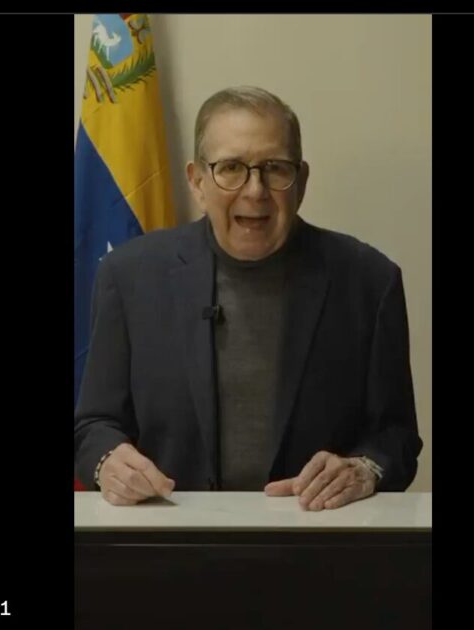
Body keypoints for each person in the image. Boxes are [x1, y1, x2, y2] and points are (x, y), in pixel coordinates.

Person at [74, 86, 423, 511]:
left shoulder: (370, 281)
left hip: (318, 539)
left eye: (275, 168)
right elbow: (93, 425)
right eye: (231, 168)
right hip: (170, 538)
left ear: (302, 181)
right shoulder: (128, 276)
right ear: (197, 181)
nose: (255, 190)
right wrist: (108, 461)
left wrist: (365, 468)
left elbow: (397, 437)